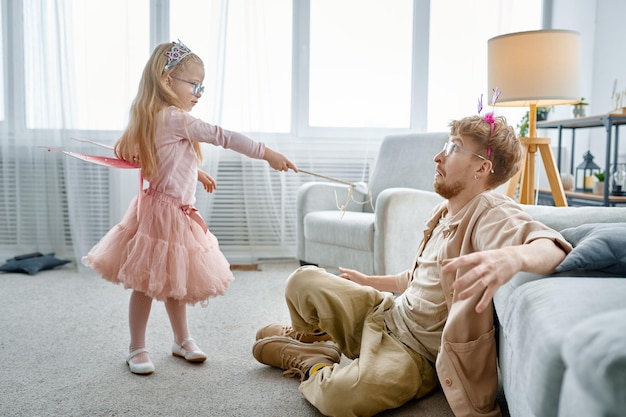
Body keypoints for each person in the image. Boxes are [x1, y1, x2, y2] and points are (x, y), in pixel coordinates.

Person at [252, 113, 571, 416]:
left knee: (341, 396)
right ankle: (315, 337)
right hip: (386, 311)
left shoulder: (491, 210)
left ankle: (313, 363)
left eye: (454, 148)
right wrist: (369, 281)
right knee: (303, 278)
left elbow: (551, 247)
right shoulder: (445, 210)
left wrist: (510, 257)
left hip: (414, 351)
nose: (438, 156)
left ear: (482, 167)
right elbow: (419, 280)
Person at [83, 40, 297, 375]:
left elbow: (162, 159)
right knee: (147, 283)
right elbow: (222, 135)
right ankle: (136, 347)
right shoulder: (174, 118)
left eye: (202, 86)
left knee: (175, 278)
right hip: (160, 214)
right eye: (194, 85)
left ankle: (181, 339)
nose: (199, 93)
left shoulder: (161, 118)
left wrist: (194, 172)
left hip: (174, 212)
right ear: (168, 81)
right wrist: (267, 153)